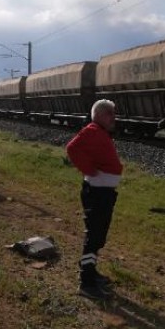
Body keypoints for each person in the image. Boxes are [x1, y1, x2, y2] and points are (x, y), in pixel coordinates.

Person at [66, 99, 123, 300]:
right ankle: (86, 282)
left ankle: (90, 268)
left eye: (113, 113)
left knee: (98, 235)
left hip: (103, 193)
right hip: (97, 193)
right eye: (109, 113)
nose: (113, 117)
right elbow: (72, 148)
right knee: (94, 235)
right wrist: (89, 170)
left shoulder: (99, 132)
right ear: (98, 115)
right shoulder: (92, 130)